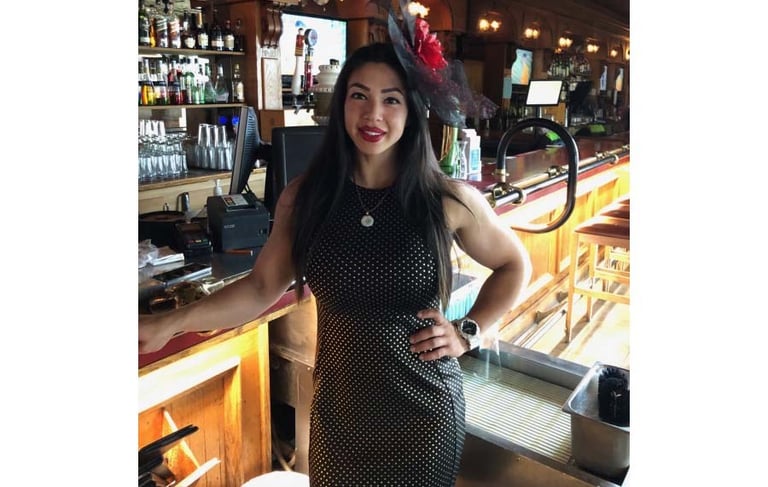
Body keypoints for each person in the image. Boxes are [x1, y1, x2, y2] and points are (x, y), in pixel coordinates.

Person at [140, 39, 531, 486]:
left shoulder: (446, 199)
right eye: (359, 96)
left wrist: (467, 333)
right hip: (338, 417)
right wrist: (171, 322)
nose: (373, 115)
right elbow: (260, 287)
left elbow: (514, 265)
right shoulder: (307, 198)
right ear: (341, 103)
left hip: (423, 416)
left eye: (391, 100)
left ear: (414, 111)